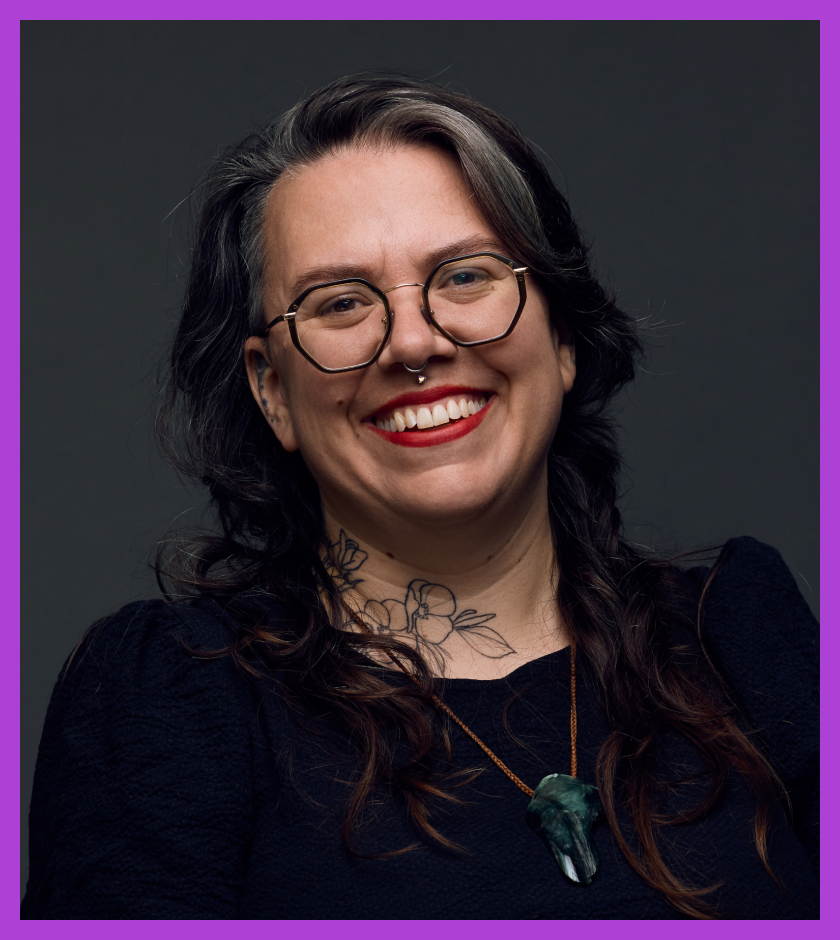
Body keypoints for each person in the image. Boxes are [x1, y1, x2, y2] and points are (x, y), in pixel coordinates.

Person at [22, 74, 818, 920]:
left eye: (466, 277)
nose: (412, 342)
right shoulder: (171, 698)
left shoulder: (737, 634)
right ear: (272, 390)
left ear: (564, 336)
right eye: (339, 303)